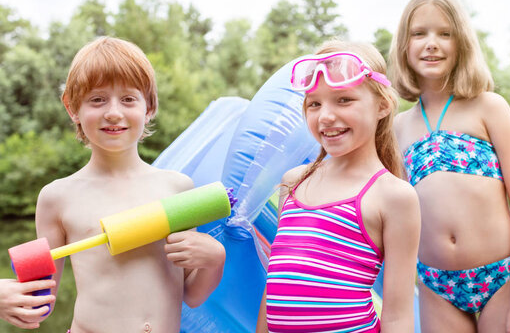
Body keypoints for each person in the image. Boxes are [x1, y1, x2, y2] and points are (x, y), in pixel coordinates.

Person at [35, 36, 226, 332]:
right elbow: (38, 303)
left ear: (149, 106)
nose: (113, 112)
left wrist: (214, 261)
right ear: (72, 107)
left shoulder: (177, 189)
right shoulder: (57, 197)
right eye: (97, 99)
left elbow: (192, 294)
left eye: (128, 99)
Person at [390, 0, 510, 332]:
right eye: (419, 33)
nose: (432, 43)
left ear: (462, 44)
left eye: (445, 33)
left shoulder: (489, 108)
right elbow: (397, 217)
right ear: (404, 46)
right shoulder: (398, 127)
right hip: (435, 285)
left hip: (500, 278)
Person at [256, 41, 421, 332]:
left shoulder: (392, 196)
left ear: (382, 105)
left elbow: (398, 317)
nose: (326, 116)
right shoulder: (294, 182)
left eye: (344, 100)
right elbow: (276, 286)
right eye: (314, 104)